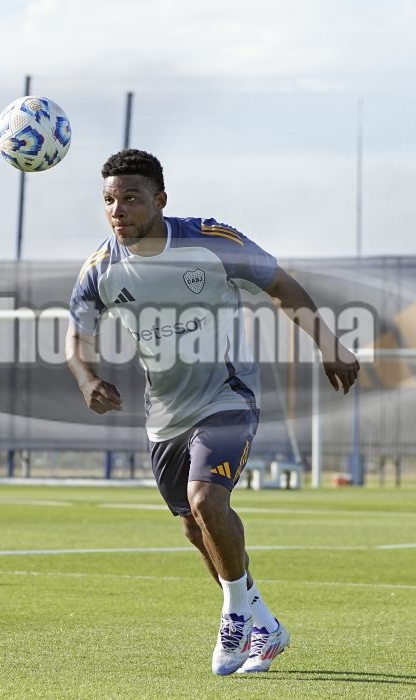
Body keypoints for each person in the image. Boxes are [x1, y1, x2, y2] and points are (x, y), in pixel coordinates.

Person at [65, 149, 360, 676]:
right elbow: (75, 338)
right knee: (192, 524)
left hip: (228, 394)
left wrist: (328, 343)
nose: (118, 210)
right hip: (165, 413)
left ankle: (233, 618)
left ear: (160, 199)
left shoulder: (208, 241)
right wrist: (87, 379)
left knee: (207, 499)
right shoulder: (100, 270)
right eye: (109, 200)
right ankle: (263, 623)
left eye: (131, 197)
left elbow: (280, 285)